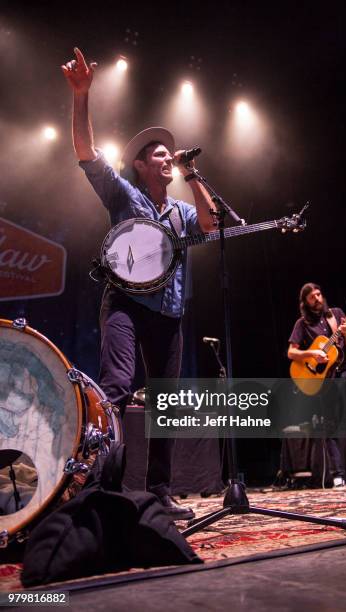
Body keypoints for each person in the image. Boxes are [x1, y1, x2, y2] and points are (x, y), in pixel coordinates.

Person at [62, 48, 217, 519]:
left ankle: (159, 493)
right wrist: (83, 96)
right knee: (117, 386)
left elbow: (210, 226)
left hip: (168, 314)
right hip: (126, 303)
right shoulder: (123, 194)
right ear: (141, 165)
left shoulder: (181, 211)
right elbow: (87, 154)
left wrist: (193, 175)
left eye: (170, 153)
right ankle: (104, 489)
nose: (168, 156)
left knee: (166, 402)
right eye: (159, 153)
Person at [287, 282, 346, 488]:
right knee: (331, 425)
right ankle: (338, 474)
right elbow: (291, 353)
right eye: (313, 297)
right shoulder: (302, 324)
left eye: (319, 294)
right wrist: (312, 353)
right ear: (306, 302)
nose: (318, 299)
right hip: (326, 379)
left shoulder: (336, 314)